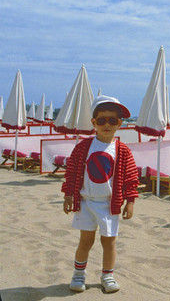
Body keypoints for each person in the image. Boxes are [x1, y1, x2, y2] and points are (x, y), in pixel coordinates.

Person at [62, 95, 139, 294]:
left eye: (112, 120)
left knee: (109, 240)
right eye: (102, 120)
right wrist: (69, 194)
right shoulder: (83, 148)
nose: (107, 125)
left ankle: (107, 275)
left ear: (120, 124)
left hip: (109, 204)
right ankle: (79, 275)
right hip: (86, 201)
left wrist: (130, 201)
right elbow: (71, 172)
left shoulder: (123, 151)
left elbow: (131, 177)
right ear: (93, 122)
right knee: (85, 241)